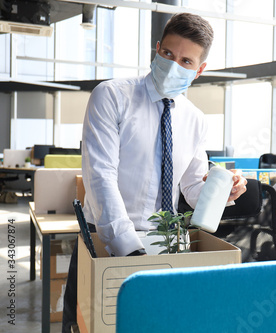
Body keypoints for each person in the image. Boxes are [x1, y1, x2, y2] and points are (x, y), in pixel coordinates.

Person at [62, 13, 247, 332]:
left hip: (165, 241)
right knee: (94, 324)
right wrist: (130, 250)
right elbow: (100, 177)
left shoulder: (196, 120)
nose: (175, 65)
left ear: (199, 71)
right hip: (107, 239)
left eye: (186, 61)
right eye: (168, 54)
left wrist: (222, 193)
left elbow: (192, 188)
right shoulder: (112, 96)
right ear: (157, 49)